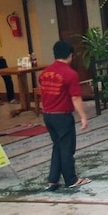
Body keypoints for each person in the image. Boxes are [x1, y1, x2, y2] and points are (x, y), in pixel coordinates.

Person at [39, 40, 91, 191]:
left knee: (58, 147)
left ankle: (53, 180)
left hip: (48, 116)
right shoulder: (70, 74)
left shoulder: (44, 73)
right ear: (70, 56)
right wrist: (83, 116)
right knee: (67, 148)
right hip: (62, 116)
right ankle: (71, 179)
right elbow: (75, 97)